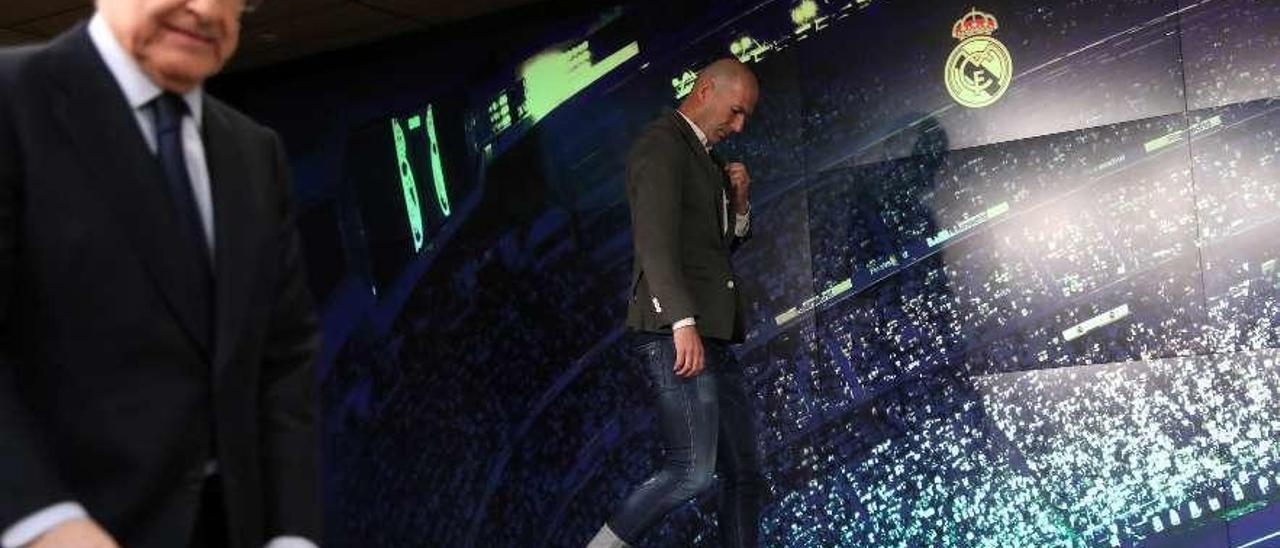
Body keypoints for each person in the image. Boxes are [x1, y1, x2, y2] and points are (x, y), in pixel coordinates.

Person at [0, 0, 321, 547]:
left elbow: (283, 358)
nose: (204, 8)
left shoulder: (254, 152)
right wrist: (43, 522)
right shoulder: (12, 98)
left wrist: (292, 536)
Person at [587, 58, 765, 548]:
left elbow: (715, 252)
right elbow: (654, 240)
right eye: (734, 112)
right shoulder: (662, 145)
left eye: (745, 116)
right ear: (704, 90)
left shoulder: (704, 159)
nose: (739, 126)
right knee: (691, 470)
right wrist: (681, 320)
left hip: (711, 333)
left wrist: (741, 203)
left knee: (745, 474)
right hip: (677, 331)